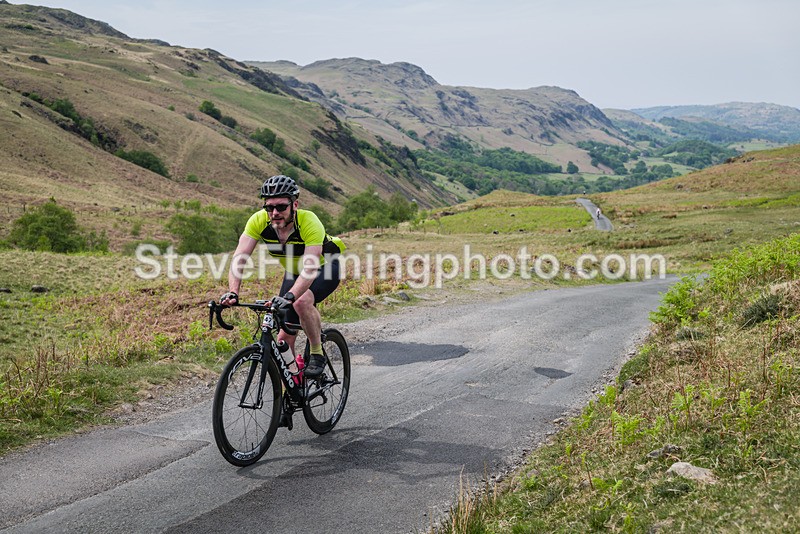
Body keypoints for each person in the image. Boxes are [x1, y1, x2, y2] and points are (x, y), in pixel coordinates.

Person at [219, 175, 345, 378]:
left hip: (325, 267)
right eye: (269, 207)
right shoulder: (259, 221)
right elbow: (239, 259)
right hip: (295, 272)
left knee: (301, 302)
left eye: (281, 207)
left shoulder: (309, 221)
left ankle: (317, 352)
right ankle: (293, 387)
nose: (275, 212)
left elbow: (310, 269)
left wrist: (290, 296)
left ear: (294, 204)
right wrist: (233, 291)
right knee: (283, 339)